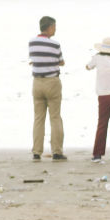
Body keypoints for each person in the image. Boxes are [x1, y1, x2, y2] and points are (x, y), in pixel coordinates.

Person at [28, 15, 66, 161]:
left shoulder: (32, 43)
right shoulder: (55, 45)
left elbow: (35, 59)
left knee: (38, 118)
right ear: (49, 27)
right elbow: (61, 61)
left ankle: (36, 151)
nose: (55, 30)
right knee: (55, 117)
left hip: (37, 82)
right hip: (52, 82)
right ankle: (57, 151)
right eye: (54, 27)